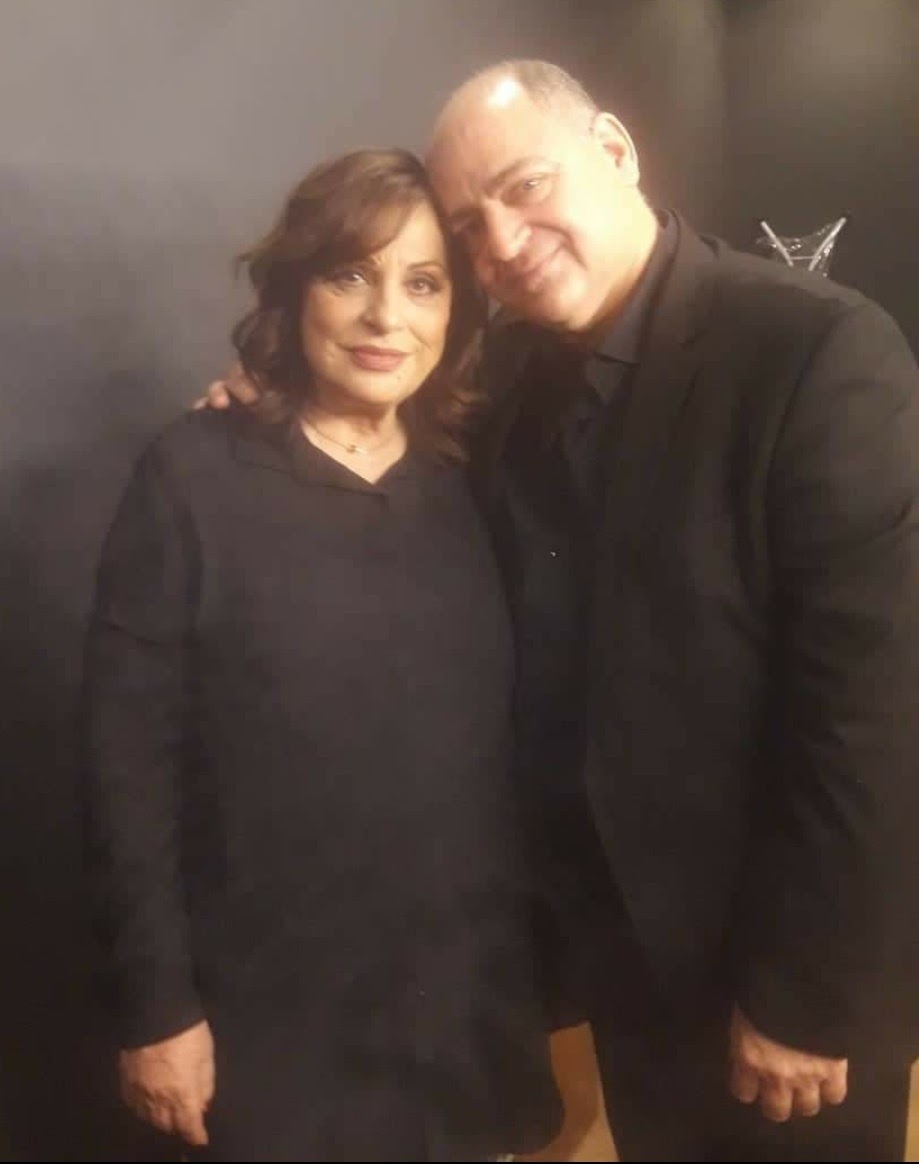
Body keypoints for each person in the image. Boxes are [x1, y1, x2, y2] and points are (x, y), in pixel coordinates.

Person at [206, 60, 919, 1161]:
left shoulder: (814, 349)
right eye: (468, 226)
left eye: (526, 187)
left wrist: (806, 995)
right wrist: (276, 404)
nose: (499, 242)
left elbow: (869, 716)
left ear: (615, 152)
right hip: (622, 964)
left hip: (778, 972)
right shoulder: (506, 377)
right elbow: (379, 431)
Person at [80, 146, 563, 1163]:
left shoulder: (479, 485)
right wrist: (157, 1008)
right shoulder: (191, 479)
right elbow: (126, 769)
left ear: (457, 312)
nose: (387, 316)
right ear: (295, 289)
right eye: (352, 275)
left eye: (423, 283)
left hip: (460, 1017)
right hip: (267, 1026)